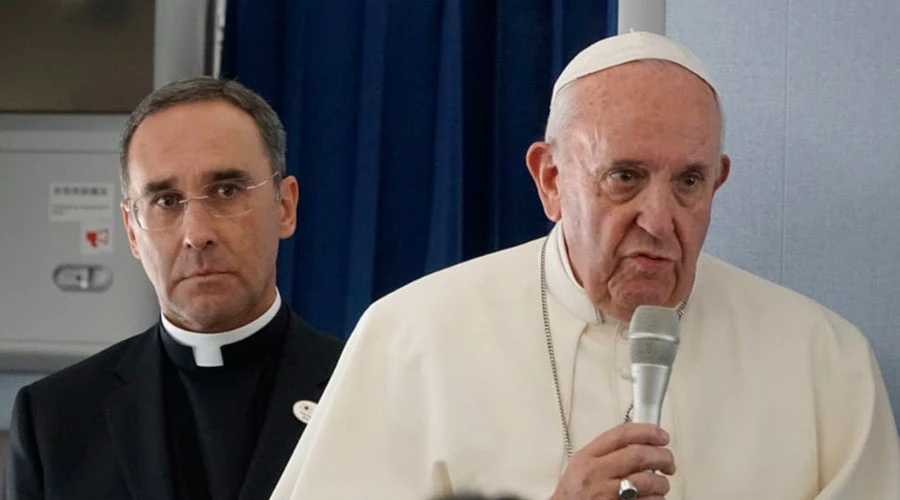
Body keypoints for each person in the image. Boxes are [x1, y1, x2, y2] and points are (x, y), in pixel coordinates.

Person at [269, 32, 900, 500]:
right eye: (624, 177)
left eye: (688, 182)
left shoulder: (824, 360)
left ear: (719, 182)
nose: (659, 220)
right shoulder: (410, 338)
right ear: (551, 179)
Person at [5, 77, 343, 500]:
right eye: (165, 200)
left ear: (285, 207)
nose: (196, 233)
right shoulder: (55, 421)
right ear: (131, 231)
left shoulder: (367, 392)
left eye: (226, 190)